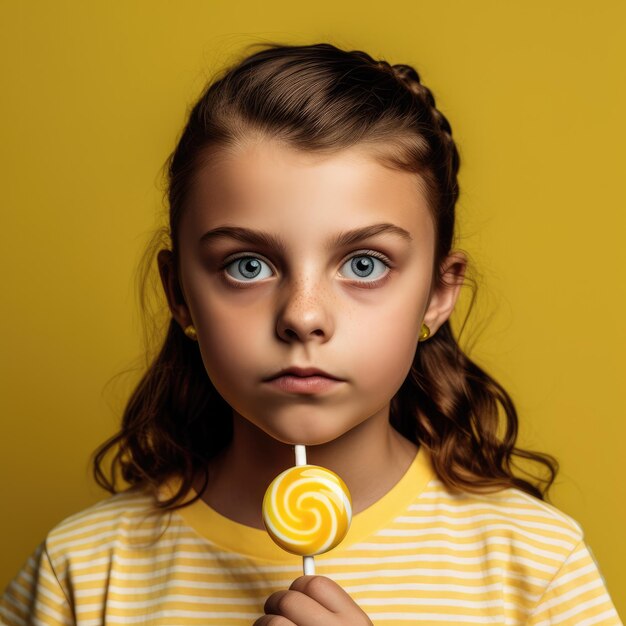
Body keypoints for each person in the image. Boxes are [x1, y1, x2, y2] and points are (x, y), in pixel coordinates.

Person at [1, 42, 621, 626]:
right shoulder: (82, 572)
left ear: (437, 293)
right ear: (180, 295)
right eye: (248, 265)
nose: (303, 316)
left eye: (364, 264)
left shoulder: (537, 567)